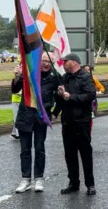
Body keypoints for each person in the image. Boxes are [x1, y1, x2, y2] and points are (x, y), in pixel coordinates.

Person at [12, 52, 61, 193]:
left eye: (49, 61)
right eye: (44, 60)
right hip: (25, 116)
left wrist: (54, 112)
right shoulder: (29, 73)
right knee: (25, 150)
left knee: (39, 149)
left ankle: (38, 179)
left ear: (52, 63)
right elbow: (15, 89)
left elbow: (61, 96)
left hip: (41, 118)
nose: (46, 63)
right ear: (39, 61)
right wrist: (17, 76)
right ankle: (25, 179)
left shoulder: (55, 77)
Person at [54, 53, 97, 195]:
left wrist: (70, 96)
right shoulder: (65, 77)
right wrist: (59, 95)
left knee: (85, 153)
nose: (63, 64)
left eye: (64, 62)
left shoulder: (85, 76)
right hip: (67, 121)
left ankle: (90, 184)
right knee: (69, 154)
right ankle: (73, 183)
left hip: (82, 121)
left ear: (73, 62)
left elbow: (90, 95)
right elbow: (61, 100)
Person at [11, 62, 22, 139]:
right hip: (16, 100)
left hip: (22, 100)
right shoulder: (17, 77)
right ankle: (18, 134)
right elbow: (14, 89)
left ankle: (14, 132)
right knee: (16, 117)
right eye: (18, 67)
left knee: (19, 117)